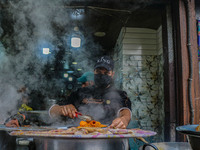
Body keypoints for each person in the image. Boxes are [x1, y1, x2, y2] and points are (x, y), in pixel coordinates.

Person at [50, 56, 132, 129]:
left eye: (106, 73)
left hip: (109, 138)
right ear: (94, 72)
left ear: (112, 74)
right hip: (81, 138)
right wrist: (61, 109)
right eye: (98, 72)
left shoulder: (120, 95)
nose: (102, 75)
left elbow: (125, 111)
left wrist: (124, 119)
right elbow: (52, 110)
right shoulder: (81, 92)